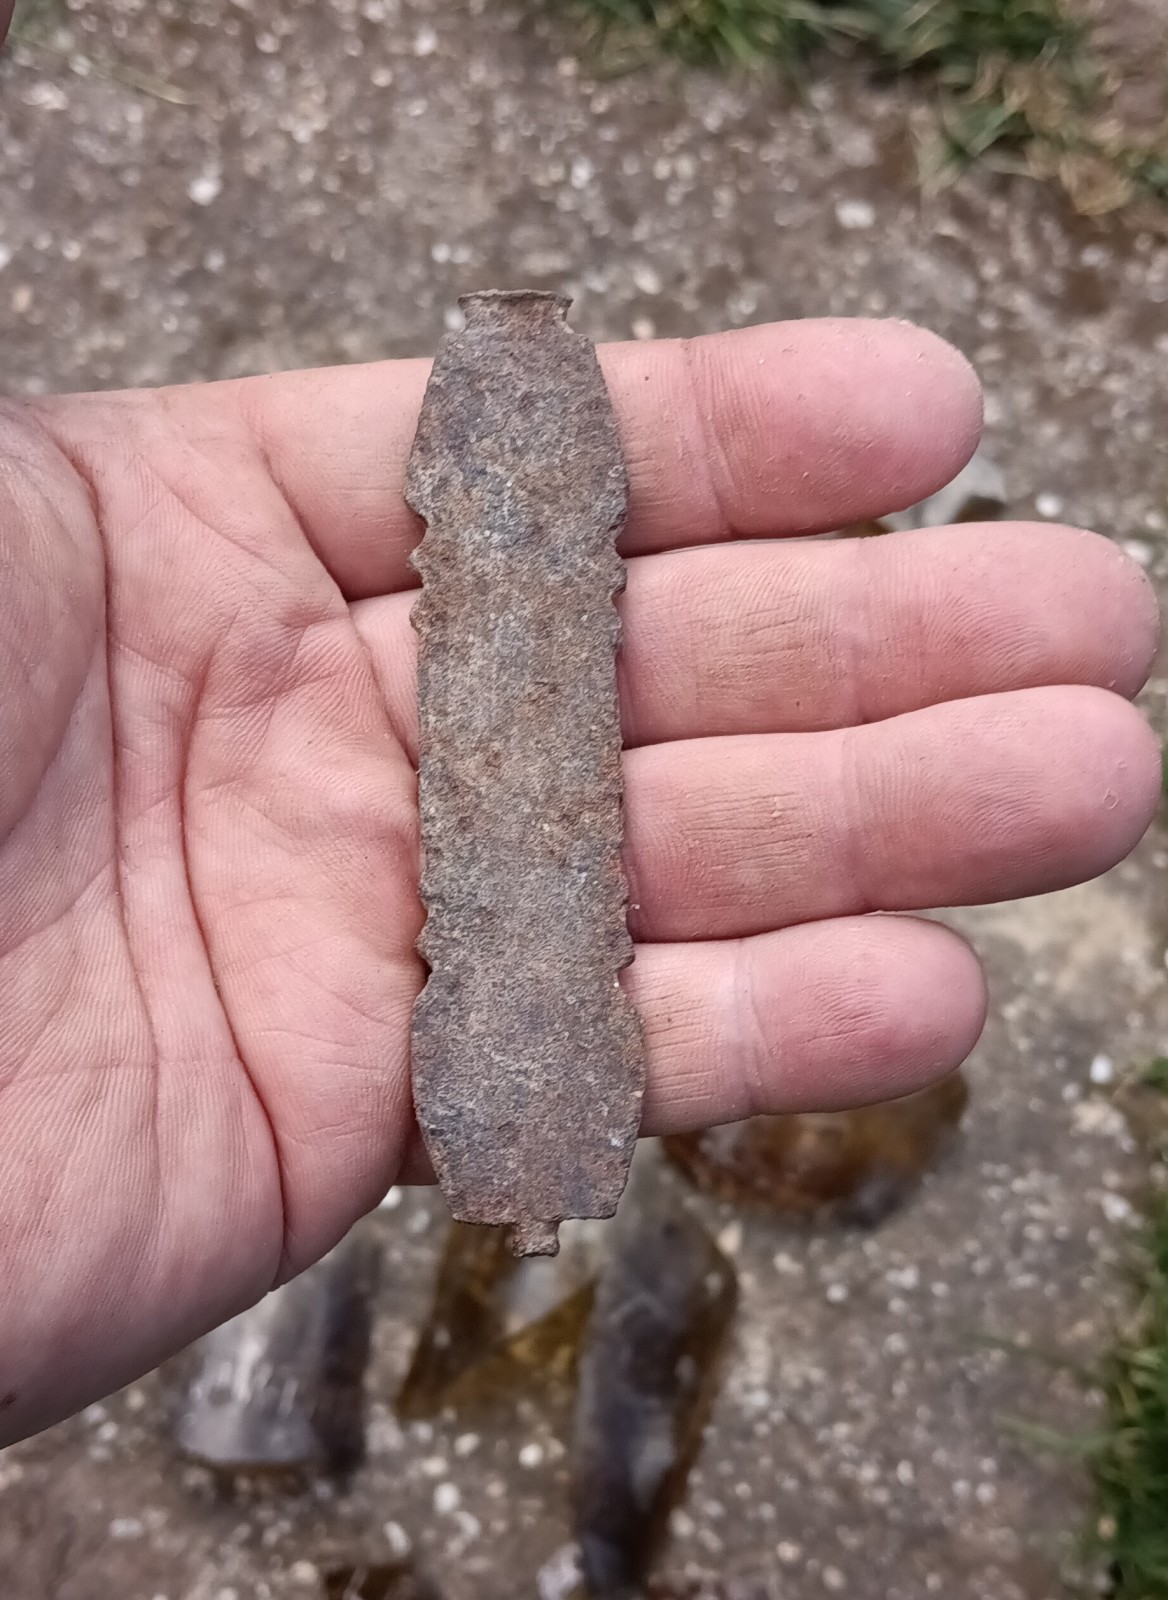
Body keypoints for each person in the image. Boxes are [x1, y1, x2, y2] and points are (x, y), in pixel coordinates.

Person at [0, 317, 1158, 1446]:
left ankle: (533, 1171)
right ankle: (527, 1173)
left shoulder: (518, 432)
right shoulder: (498, 438)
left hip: (530, 1056)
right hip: (507, 1054)